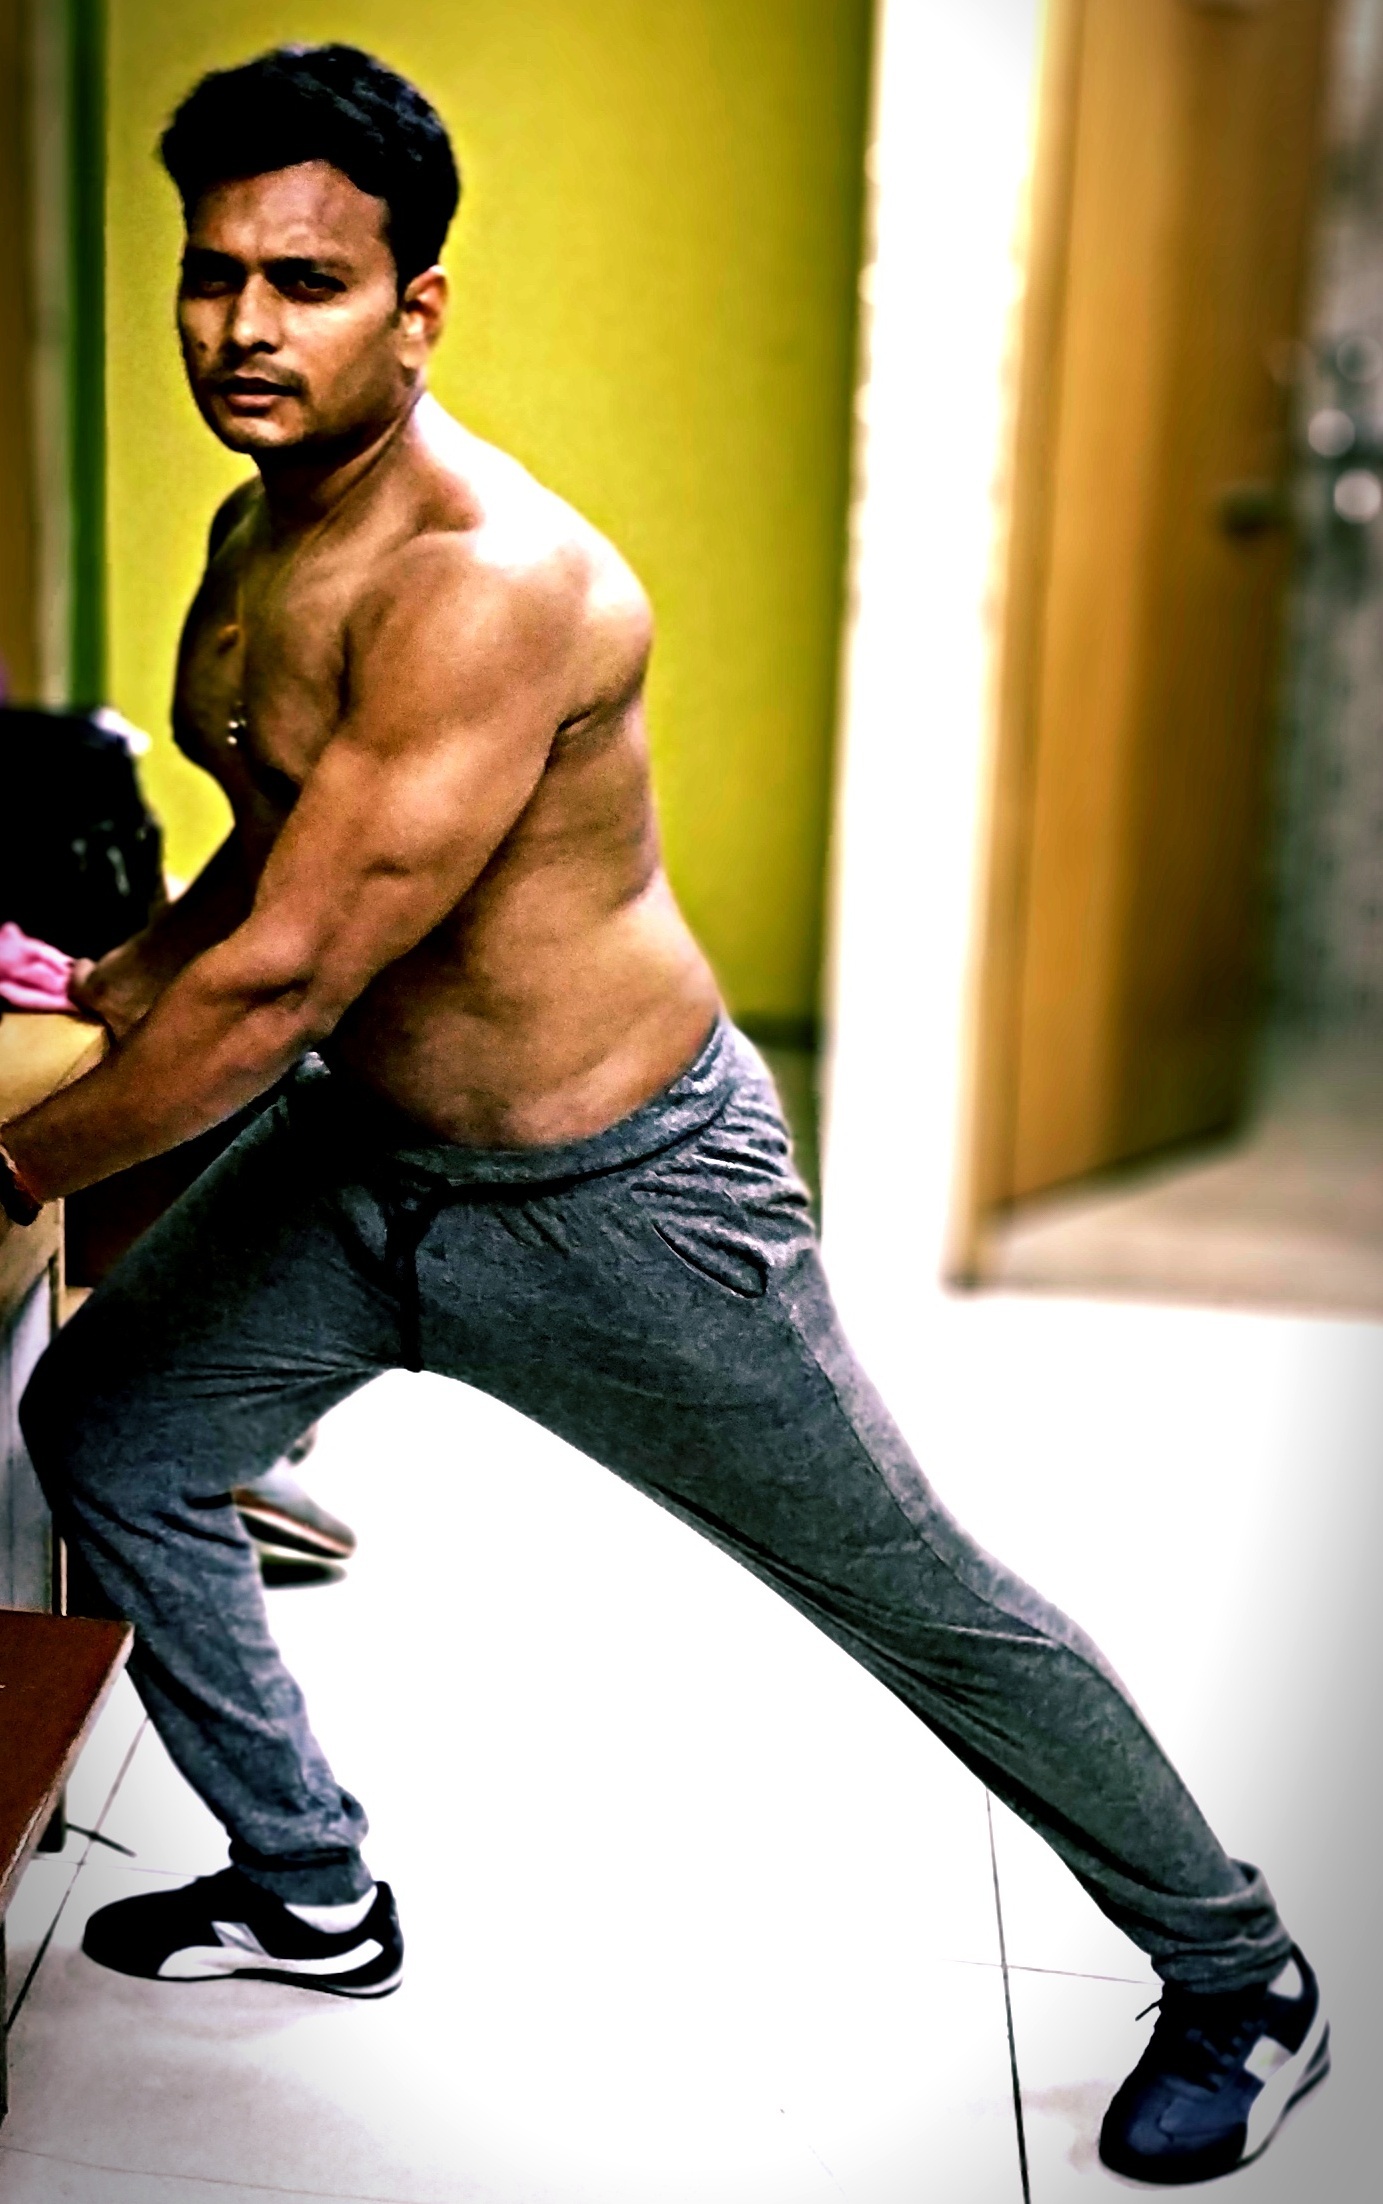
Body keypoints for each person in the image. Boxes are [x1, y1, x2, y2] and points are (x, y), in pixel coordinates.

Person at [0, 45, 1327, 2188]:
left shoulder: (486, 580)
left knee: (910, 1592)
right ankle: (308, 1883)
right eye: (212, 273)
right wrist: (105, 980)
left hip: (617, 1200)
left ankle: (1238, 1967)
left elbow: (286, 977)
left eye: (308, 282)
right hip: (362, 1159)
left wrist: (12, 1161)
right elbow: (274, 855)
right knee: (116, 1429)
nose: (244, 325)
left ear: (416, 306)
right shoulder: (261, 531)